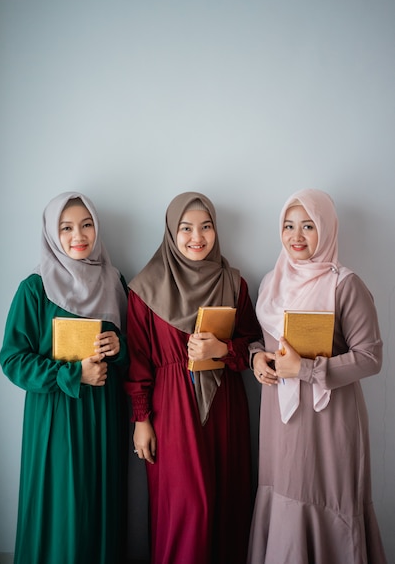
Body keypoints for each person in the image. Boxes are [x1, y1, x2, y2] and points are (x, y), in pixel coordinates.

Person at [247, 188, 387, 564]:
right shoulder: (271, 283)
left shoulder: (345, 284)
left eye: (308, 226)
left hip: (329, 421)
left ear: (325, 229)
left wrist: (306, 369)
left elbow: (370, 357)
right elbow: (266, 342)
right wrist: (257, 358)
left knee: (327, 495)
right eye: (289, 226)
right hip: (280, 418)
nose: (296, 236)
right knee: (284, 491)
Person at [125, 191, 262, 564]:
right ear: (171, 231)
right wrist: (141, 420)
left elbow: (252, 345)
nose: (196, 237)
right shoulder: (145, 289)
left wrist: (223, 350)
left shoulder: (234, 283)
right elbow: (137, 360)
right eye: (186, 228)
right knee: (186, 511)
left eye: (206, 227)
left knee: (226, 504)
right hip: (171, 410)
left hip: (225, 408)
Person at [0, 191, 129, 564]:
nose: (78, 235)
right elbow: (12, 359)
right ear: (52, 233)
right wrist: (72, 374)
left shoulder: (114, 280)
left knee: (99, 504)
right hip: (55, 416)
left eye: (86, 224)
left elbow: (134, 353)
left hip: (103, 414)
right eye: (66, 227)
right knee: (60, 506)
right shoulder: (35, 288)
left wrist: (118, 347)